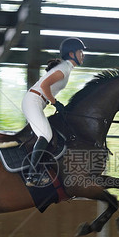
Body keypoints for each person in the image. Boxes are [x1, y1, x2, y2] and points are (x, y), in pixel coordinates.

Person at [22, 37, 86, 186]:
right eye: (80, 51)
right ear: (71, 54)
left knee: (48, 133)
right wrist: (55, 103)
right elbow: (44, 85)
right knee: (46, 134)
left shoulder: (66, 68)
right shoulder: (64, 68)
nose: (83, 55)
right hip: (33, 101)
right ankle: (32, 176)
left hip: (36, 102)